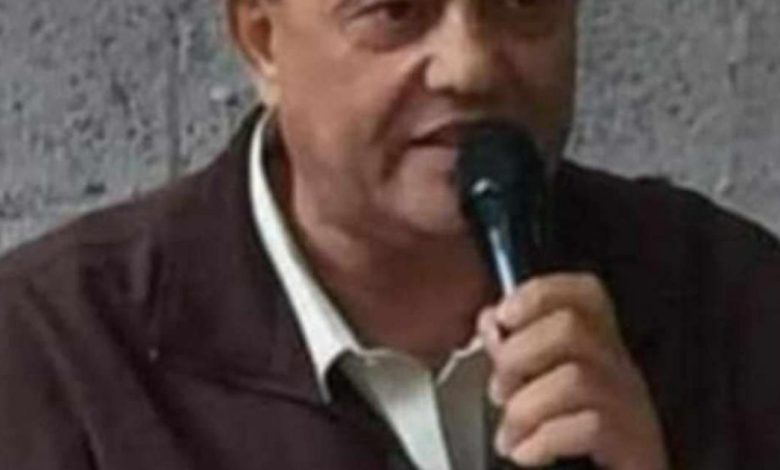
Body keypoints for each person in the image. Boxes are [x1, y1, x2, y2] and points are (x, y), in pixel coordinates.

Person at [0, 0, 778, 468]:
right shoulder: (53, 357)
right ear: (262, 39)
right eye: (396, 10)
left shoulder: (731, 295)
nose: (471, 67)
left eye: (521, 2)